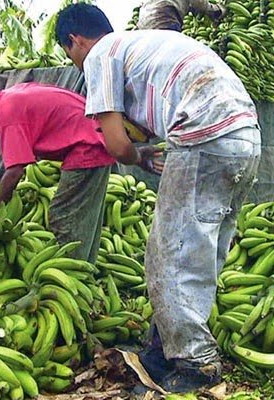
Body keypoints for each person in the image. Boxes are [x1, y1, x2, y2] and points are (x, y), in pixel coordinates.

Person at [55, 3, 261, 393]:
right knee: (201, 252)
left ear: (75, 40)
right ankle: (167, 346)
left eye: (69, 54)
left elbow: (117, 144)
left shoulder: (100, 55)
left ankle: (195, 362)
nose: (75, 62)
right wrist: (146, 148)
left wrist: (138, 157)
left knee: (168, 255)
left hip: (203, 135)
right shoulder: (145, 44)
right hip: (245, 137)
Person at [0, 70, 162, 264]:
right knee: (85, 221)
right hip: (95, 142)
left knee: (63, 217)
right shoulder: (13, 96)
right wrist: (136, 157)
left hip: (86, 149)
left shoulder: (7, 111)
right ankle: (85, 267)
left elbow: (15, 170)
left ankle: (70, 278)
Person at [137, 0, 226, 31]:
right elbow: (199, 3)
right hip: (164, 16)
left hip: (144, 19)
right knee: (169, 52)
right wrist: (215, 10)